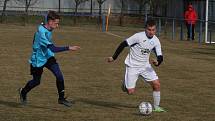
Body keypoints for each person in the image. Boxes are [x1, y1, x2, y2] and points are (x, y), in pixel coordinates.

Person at [18, 11, 80, 107]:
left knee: (59, 75)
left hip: (48, 56)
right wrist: (69, 47)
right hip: (38, 59)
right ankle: (23, 91)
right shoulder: (41, 33)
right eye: (56, 23)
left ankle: (61, 98)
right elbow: (53, 48)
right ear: (50, 22)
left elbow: (42, 29)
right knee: (36, 81)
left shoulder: (46, 27)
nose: (57, 25)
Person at [107, 20, 166, 112]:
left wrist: (158, 62)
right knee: (130, 92)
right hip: (132, 66)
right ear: (145, 29)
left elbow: (160, 56)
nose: (151, 32)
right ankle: (125, 85)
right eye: (149, 29)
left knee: (157, 84)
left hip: (145, 66)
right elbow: (123, 44)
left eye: (153, 30)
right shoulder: (138, 36)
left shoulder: (156, 40)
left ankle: (157, 107)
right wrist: (114, 57)